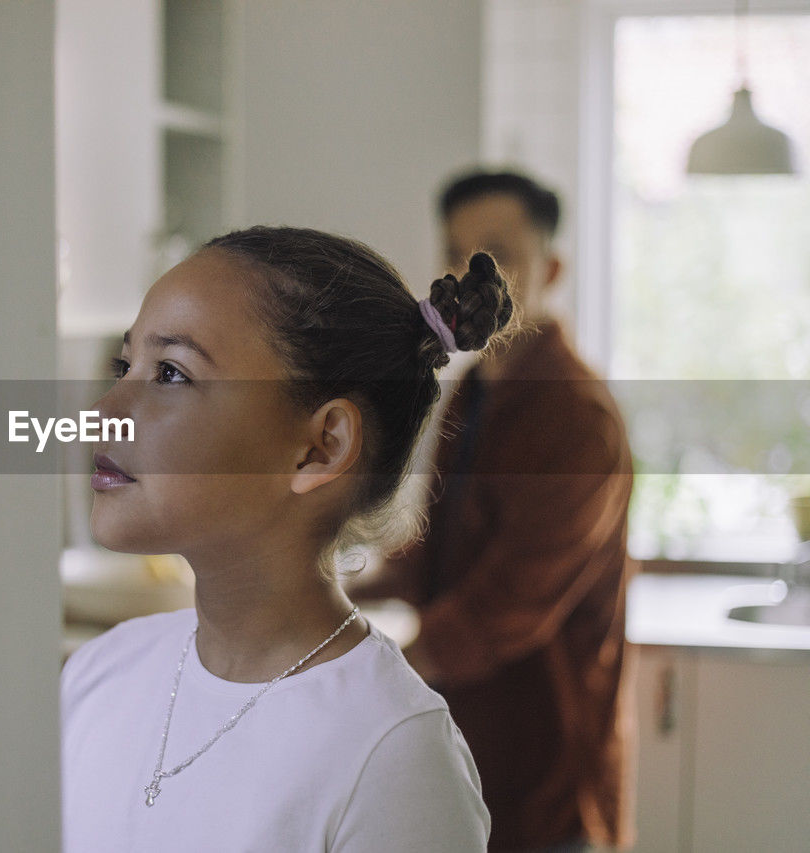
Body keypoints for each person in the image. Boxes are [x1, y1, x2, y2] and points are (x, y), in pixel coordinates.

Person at [60, 226, 513, 851]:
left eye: (169, 373)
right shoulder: (98, 675)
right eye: (124, 365)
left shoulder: (393, 757)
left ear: (320, 447)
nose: (105, 408)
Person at [353, 170, 636, 853]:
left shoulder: (575, 415)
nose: (471, 274)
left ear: (554, 266)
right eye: (456, 252)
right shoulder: (475, 388)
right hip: (476, 751)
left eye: (496, 253)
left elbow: (508, 601)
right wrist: (329, 584)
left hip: (549, 774)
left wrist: (369, 681)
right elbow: (441, 546)